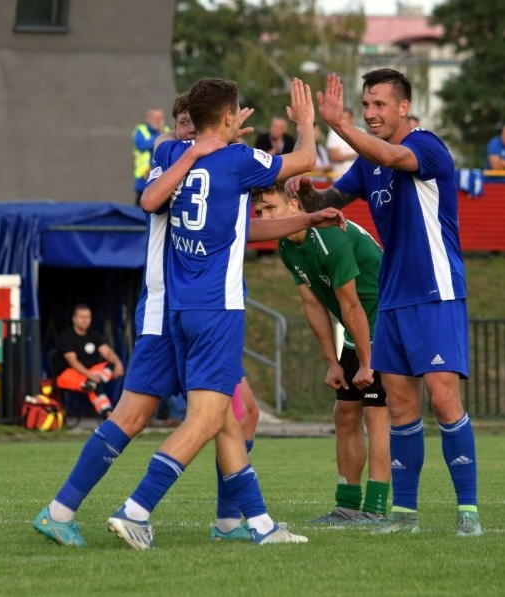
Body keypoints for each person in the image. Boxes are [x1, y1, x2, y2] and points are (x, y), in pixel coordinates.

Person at [34, 93, 307, 548]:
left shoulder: (210, 164)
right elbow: (154, 188)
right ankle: (159, 513)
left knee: (232, 413)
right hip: (172, 309)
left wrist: (309, 217)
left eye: (190, 123)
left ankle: (239, 522)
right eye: (180, 124)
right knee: (196, 414)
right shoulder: (174, 156)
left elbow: (246, 230)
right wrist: (200, 142)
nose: (185, 130)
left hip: (177, 307)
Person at [104, 77, 344, 550]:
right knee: (207, 420)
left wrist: (220, 134)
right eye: (235, 116)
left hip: (180, 307)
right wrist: (307, 123)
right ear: (232, 118)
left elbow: (227, 212)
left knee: (235, 418)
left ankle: (252, 524)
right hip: (218, 309)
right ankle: (135, 510)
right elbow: (304, 161)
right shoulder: (238, 161)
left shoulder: (172, 154)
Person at [292, 69, 482, 537]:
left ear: (403, 107)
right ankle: (405, 516)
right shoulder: (365, 163)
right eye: (366, 105)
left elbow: (394, 156)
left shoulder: (426, 145)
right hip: (395, 297)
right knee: (399, 407)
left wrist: (340, 126)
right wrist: (304, 190)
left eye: (380, 105)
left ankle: (468, 512)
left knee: (442, 398)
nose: (372, 113)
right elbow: (330, 196)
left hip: (435, 289)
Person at [253, 183, 391, 526]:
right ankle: (346, 506)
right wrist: (332, 362)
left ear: (295, 204)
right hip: (359, 329)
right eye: (259, 213)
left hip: (388, 324)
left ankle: (374, 509)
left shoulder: (328, 236)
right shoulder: (288, 244)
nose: (264, 217)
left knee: (376, 414)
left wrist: (368, 362)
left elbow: (352, 304)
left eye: (271, 209)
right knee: (345, 414)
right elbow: (312, 303)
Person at [54, 304, 125, 419]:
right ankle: (108, 414)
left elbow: (107, 352)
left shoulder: (94, 335)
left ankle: (107, 412)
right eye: (81, 317)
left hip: (91, 373)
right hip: (69, 374)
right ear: (74, 319)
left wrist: (118, 363)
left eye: (87, 317)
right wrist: (90, 376)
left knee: (111, 364)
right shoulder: (66, 337)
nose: (85, 320)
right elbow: (73, 362)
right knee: (93, 384)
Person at [132, 107, 168, 204]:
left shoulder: (166, 131)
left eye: (161, 118)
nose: (158, 120)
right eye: (155, 117)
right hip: (143, 177)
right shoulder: (141, 130)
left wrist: (161, 133)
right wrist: (159, 135)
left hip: (161, 177)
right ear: (148, 119)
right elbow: (143, 145)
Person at [326, 108, 360, 177]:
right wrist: (357, 154)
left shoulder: (362, 132)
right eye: (341, 118)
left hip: (360, 175)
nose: (343, 121)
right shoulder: (334, 133)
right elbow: (335, 156)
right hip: (340, 176)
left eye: (345, 118)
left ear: (352, 118)